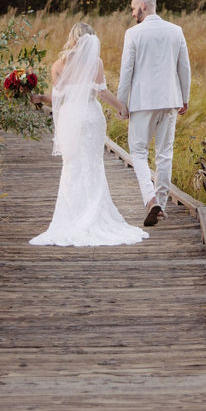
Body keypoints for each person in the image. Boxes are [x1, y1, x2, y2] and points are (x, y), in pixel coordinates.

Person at [29, 22, 148, 247]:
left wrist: (39, 98)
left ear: (72, 39)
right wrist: (121, 106)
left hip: (71, 119)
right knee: (93, 164)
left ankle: (71, 216)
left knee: (72, 165)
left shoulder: (58, 65)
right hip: (91, 117)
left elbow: (59, 99)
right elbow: (102, 93)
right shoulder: (95, 62)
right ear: (90, 40)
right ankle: (93, 212)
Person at [117, 0, 191, 227]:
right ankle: (161, 203)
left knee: (138, 152)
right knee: (164, 154)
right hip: (170, 99)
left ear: (143, 7)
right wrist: (185, 97)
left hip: (142, 102)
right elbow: (184, 68)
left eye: (133, 8)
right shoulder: (175, 31)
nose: (132, 13)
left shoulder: (133, 34)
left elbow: (126, 70)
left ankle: (151, 200)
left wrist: (122, 103)